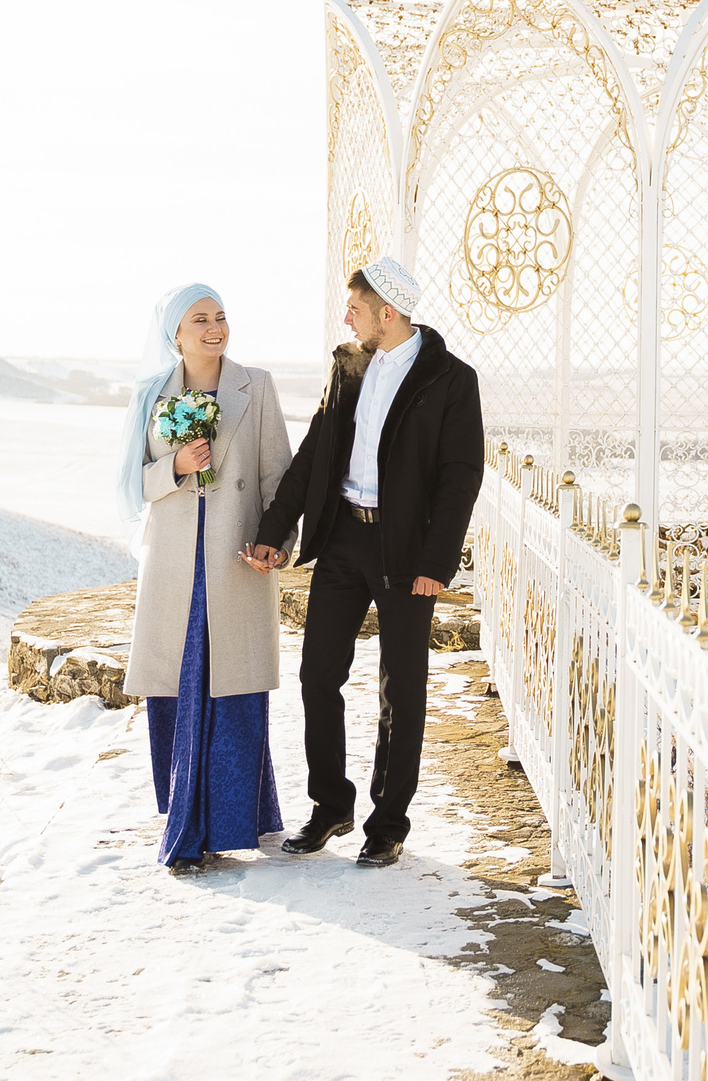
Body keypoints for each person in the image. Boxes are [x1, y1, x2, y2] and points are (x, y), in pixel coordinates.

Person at [250, 256, 484, 868]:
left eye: (354, 308)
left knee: (400, 690)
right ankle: (331, 807)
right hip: (343, 539)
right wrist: (275, 530)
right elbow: (313, 454)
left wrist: (439, 560)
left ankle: (388, 822)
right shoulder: (347, 366)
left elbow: (462, 478)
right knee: (316, 676)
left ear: (388, 311)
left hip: (407, 554)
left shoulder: (452, 380)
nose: (345, 318)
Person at [118, 284, 293, 872]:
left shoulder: (257, 386)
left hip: (234, 560)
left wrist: (279, 544)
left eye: (221, 316)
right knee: (178, 686)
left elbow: (277, 478)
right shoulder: (151, 395)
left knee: (235, 689)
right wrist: (176, 466)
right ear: (176, 334)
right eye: (201, 320)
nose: (215, 328)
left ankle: (236, 819)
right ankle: (185, 824)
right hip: (172, 563)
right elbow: (130, 484)